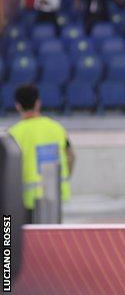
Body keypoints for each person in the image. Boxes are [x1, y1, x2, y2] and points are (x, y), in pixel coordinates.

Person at [8, 84, 75, 224]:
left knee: (28, 242)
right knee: (51, 239)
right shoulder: (56, 128)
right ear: (38, 103)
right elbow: (70, 155)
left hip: (25, 199)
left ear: (18, 106)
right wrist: (65, 176)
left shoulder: (14, 134)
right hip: (54, 196)